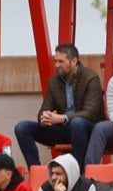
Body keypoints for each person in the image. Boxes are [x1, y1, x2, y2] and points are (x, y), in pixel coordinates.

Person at [12, 41, 104, 170]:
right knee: (22, 127)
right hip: (63, 129)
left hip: (87, 130)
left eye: (61, 61)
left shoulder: (91, 78)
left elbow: (90, 113)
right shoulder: (54, 80)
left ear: (74, 61)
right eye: (55, 61)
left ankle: (77, 172)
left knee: (77, 123)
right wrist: (44, 118)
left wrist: (62, 118)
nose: (56, 65)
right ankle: (35, 170)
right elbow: (44, 108)